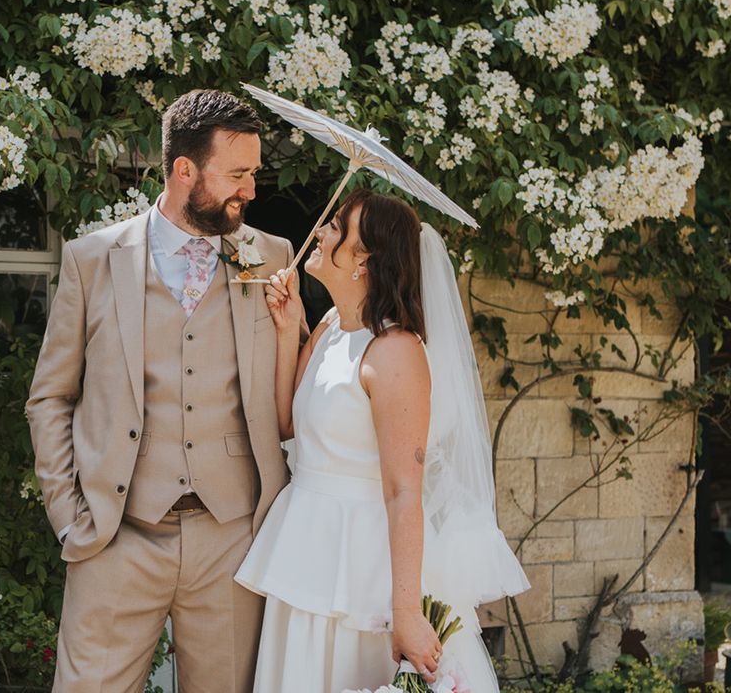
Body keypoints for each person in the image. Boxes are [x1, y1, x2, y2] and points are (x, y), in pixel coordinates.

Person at [27, 89, 297, 693]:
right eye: (237, 174)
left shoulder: (272, 257)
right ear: (184, 171)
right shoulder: (92, 260)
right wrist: (69, 517)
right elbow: (50, 396)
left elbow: (292, 395)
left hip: (234, 537)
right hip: (116, 531)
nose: (251, 190)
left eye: (254, 173)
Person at [236, 189, 529, 693]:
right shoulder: (328, 327)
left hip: (363, 564)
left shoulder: (395, 351)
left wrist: (407, 613)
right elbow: (288, 426)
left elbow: (403, 490)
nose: (321, 233)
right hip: (307, 545)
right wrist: (289, 332)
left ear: (363, 259)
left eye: (335, 227)